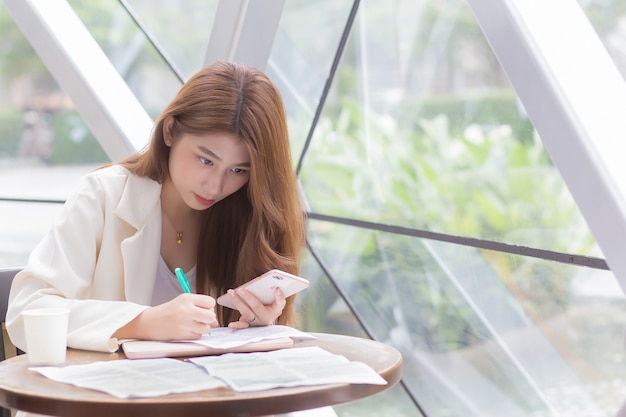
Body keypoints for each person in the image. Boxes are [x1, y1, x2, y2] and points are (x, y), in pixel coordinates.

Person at [6, 60, 306, 354]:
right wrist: (143, 322)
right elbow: (27, 311)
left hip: (204, 399)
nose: (215, 187)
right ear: (170, 132)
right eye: (206, 160)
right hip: (108, 398)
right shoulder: (103, 196)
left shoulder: (246, 218)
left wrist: (258, 327)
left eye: (239, 170)